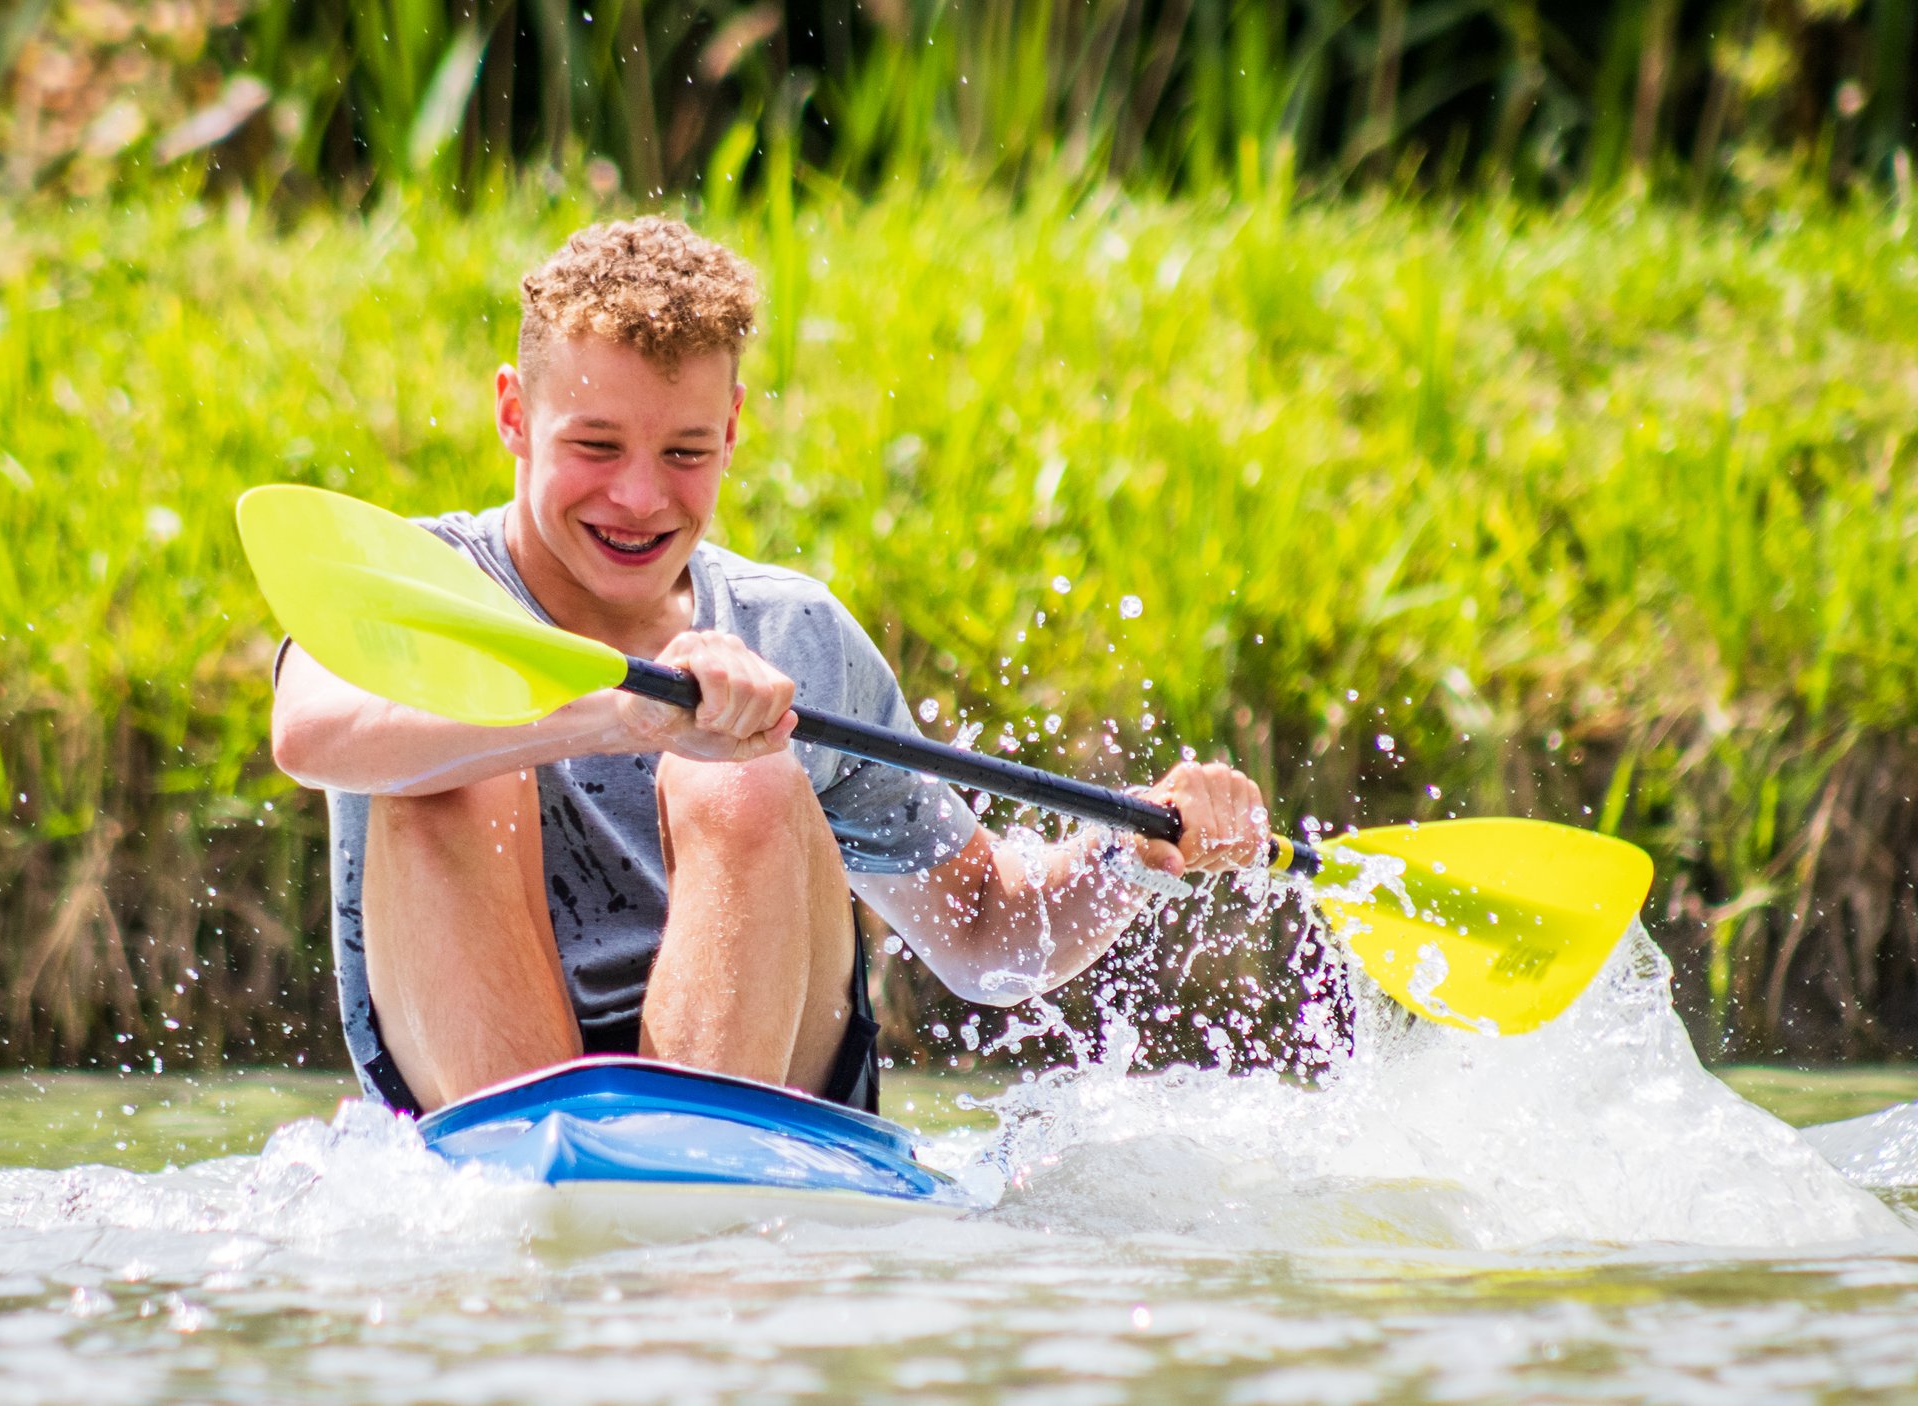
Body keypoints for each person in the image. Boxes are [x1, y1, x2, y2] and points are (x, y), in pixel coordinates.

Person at [271, 217, 1272, 1115]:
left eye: (684, 453)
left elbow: (985, 935)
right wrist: (621, 713)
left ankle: (699, 1149)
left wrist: (1135, 851)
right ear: (513, 415)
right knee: (446, 772)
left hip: (766, 1085)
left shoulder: (793, 631)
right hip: (477, 1084)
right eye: (597, 445)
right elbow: (309, 736)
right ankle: (536, 1147)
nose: (639, 497)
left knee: (742, 772)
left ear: (732, 428)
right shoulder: (417, 584)